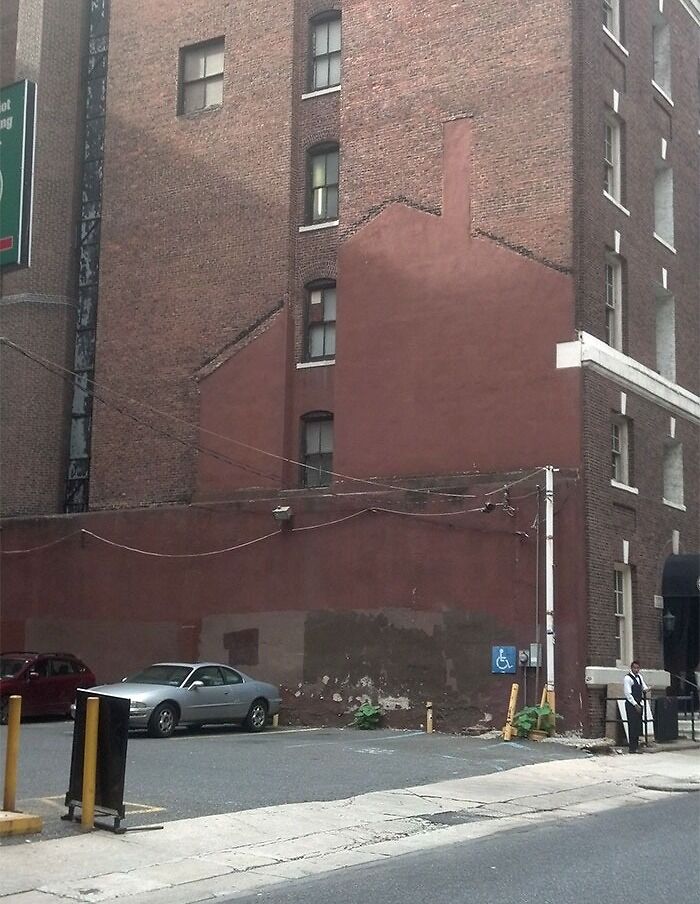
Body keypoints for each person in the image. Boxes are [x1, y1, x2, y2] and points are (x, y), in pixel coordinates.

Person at [623, 660, 649, 753]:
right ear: (631, 668)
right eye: (635, 668)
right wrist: (635, 704)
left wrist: (647, 689)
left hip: (639, 702)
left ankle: (637, 745)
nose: (636, 670)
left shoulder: (640, 677)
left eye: (638, 668)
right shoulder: (627, 678)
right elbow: (628, 693)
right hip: (631, 704)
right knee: (632, 725)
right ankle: (632, 747)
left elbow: (643, 687)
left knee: (638, 725)